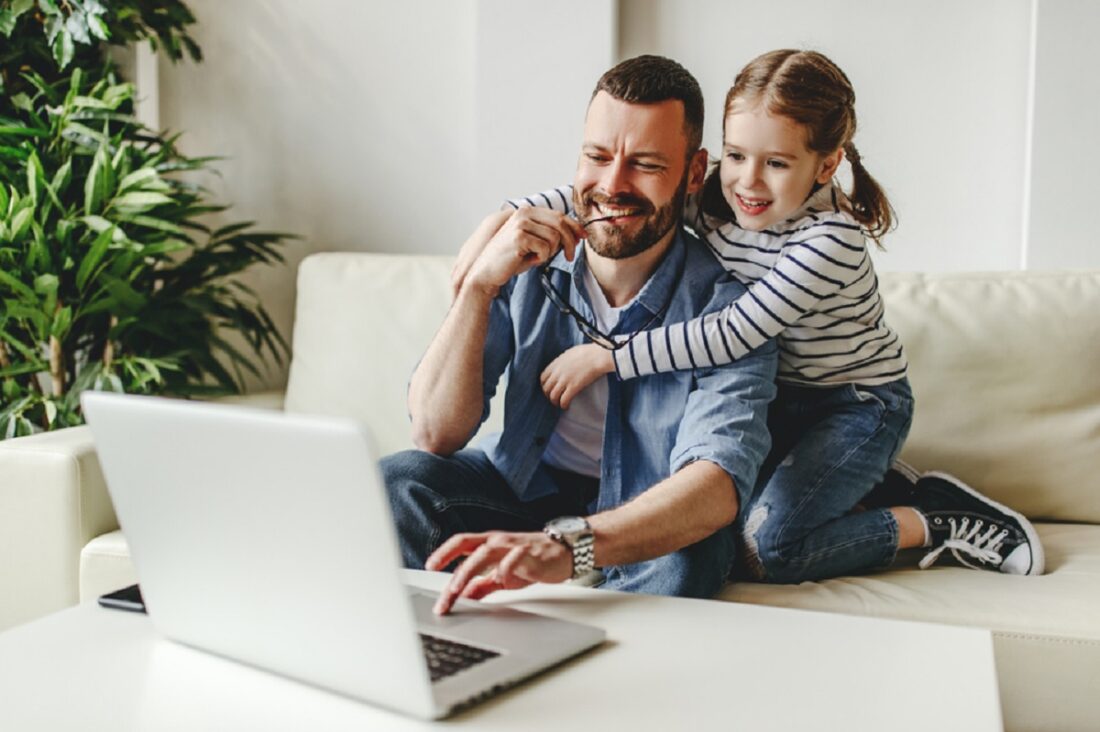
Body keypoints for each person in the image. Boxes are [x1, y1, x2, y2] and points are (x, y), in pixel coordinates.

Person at [475, 50, 1044, 581]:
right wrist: (501, 223)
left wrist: (610, 357)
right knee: (699, 520)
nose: (749, 181)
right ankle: (861, 486)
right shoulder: (720, 198)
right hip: (779, 396)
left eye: (777, 163)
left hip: (852, 406)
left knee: (766, 547)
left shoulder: (831, 240)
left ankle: (932, 518)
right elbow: (615, 197)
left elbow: (735, 331)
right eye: (738, 156)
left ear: (827, 166)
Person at [382, 55, 779, 615]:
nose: (612, 185)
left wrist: (574, 546)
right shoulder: (525, 260)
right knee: (400, 481)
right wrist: (477, 287)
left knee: (693, 553)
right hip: (525, 490)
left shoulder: (734, 311)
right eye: (597, 157)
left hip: (645, 516)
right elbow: (436, 433)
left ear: (693, 174)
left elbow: (713, 486)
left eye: (644, 164)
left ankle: (592, 674)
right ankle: (449, 652)